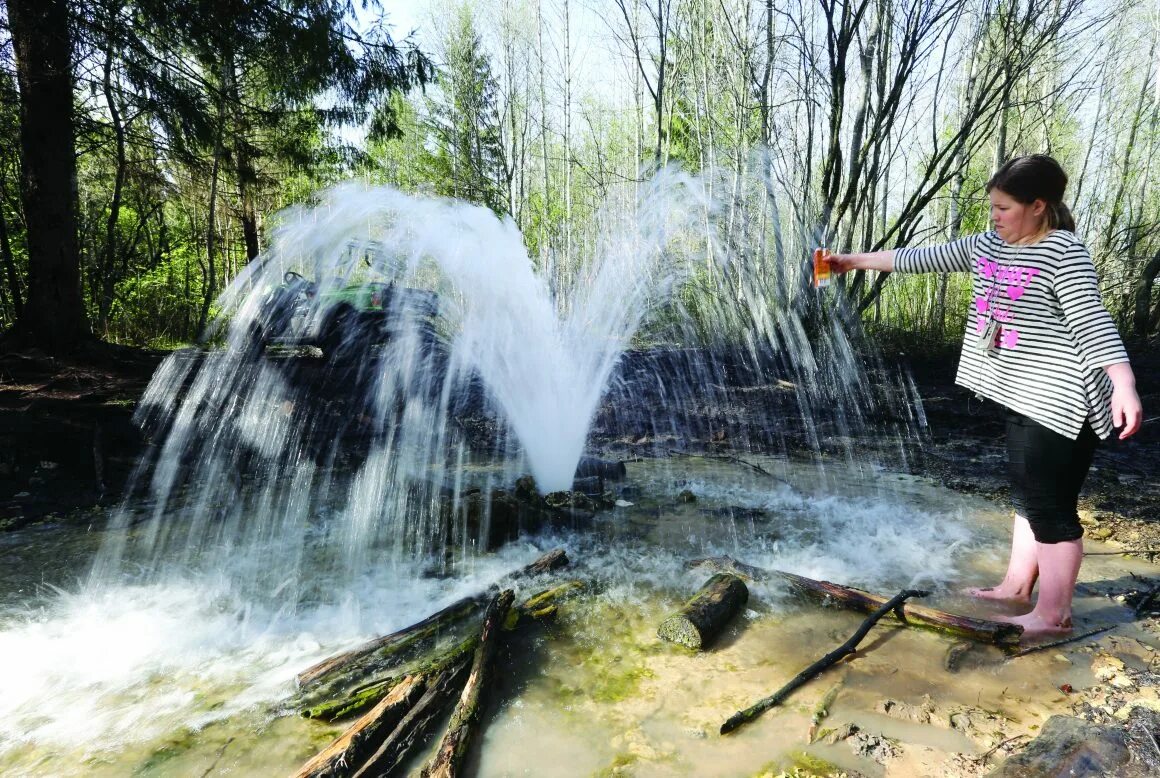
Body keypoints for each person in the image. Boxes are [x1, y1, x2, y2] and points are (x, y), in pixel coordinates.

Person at [828, 154, 1144, 639]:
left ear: (1038, 206)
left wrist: (1123, 382)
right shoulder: (989, 245)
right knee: (1027, 492)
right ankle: (1017, 587)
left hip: (1063, 398)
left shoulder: (1062, 251)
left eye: (1003, 207)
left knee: (1051, 506)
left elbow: (1091, 320)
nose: (994, 216)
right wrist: (851, 261)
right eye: (992, 207)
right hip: (1023, 393)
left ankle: (1053, 615)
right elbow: (919, 258)